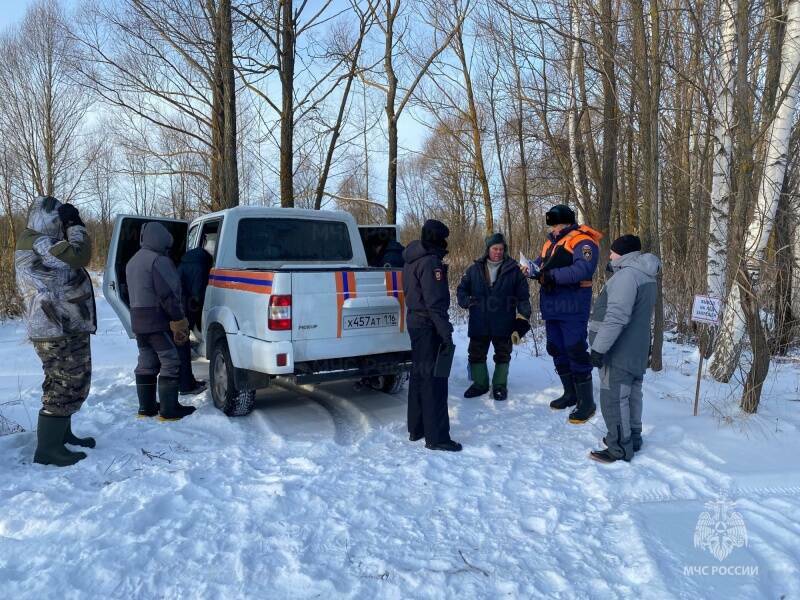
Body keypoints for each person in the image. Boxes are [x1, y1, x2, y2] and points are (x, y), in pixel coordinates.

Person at [15, 196, 97, 466]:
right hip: (55, 327)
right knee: (64, 383)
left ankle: (62, 435)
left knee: (71, 380)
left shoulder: (41, 240)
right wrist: (75, 225)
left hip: (63, 325)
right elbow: (79, 255)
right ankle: (48, 449)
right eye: (59, 219)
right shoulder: (37, 241)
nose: (61, 224)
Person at [522, 204, 602, 424]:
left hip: (573, 305)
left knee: (575, 348)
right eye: (552, 225)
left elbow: (583, 270)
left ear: (567, 223)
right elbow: (541, 265)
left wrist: (552, 276)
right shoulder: (551, 242)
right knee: (555, 347)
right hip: (552, 305)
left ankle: (587, 403)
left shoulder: (583, 241)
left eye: (557, 224)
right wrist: (530, 269)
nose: (554, 229)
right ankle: (570, 393)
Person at [587, 235, 660, 464]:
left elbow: (616, 317)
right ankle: (632, 438)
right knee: (632, 396)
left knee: (614, 398)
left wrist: (598, 349)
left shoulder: (627, 276)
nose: (609, 255)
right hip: (637, 349)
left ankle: (619, 448)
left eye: (612, 252)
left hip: (618, 350)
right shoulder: (646, 275)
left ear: (623, 253)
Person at [126, 221, 196, 421]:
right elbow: (168, 294)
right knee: (170, 360)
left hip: (138, 321)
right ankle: (169, 410)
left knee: (147, 361)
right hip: (157, 320)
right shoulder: (158, 261)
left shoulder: (133, 261)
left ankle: (146, 407)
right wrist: (179, 319)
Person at [402, 219, 461, 452]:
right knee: (435, 382)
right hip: (429, 326)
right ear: (439, 239)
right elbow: (435, 303)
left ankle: (417, 428)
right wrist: (446, 333)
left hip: (416, 324)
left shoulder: (411, 258)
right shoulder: (430, 262)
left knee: (419, 377)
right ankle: (437, 437)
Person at [457, 233, 531, 401]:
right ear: (488, 249)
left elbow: (523, 298)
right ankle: (480, 384)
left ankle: (499, 386)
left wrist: (522, 320)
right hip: (479, 320)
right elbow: (461, 289)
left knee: (503, 354)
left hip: (504, 321)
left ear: (505, 250)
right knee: (476, 353)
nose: (498, 252)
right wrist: (465, 301)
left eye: (501, 249)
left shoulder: (514, 270)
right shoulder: (474, 269)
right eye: (494, 248)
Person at [176, 242, 213, 395]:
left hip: (177, 306)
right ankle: (185, 385)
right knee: (182, 347)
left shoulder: (185, 261)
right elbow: (198, 292)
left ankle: (183, 381)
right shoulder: (202, 266)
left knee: (180, 345)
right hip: (188, 307)